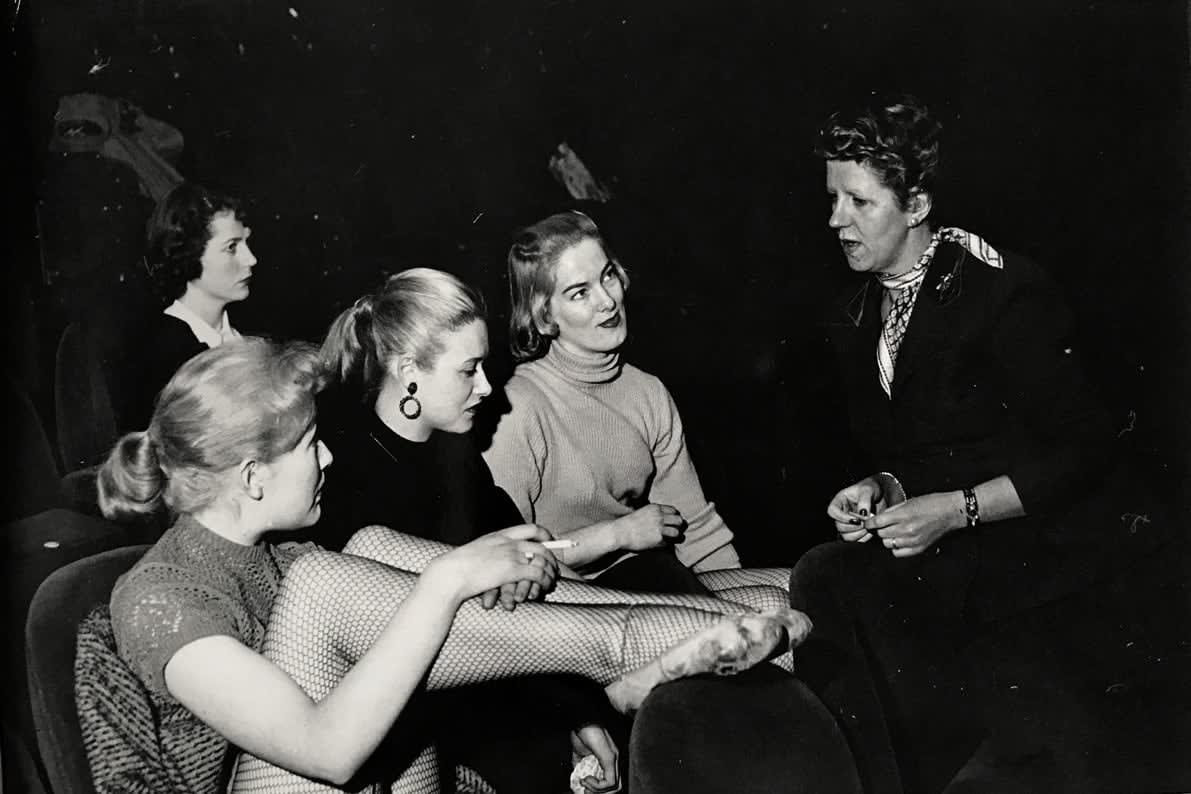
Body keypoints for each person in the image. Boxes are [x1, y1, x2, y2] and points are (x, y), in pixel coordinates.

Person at [92, 336, 803, 794]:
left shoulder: (282, 554)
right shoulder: (160, 598)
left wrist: (565, 709)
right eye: (310, 444)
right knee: (335, 583)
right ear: (250, 477)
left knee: (368, 548)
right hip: (313, 770)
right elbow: (325, 751)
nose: (328, 457)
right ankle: (622, 655)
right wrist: (450, 578)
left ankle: (630, 658)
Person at [787, 93, 1119, 793]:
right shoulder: (853, 310)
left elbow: (1084, 453)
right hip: (946, 566)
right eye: (831, 199)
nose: (834, 221)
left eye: (857, 202)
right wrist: (882, 487)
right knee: (825, 572)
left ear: (914, 205)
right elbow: (918, 446)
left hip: (1038, 568)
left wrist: (952, 511)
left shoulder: (1000, 293)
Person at [482, 211, 789, 600]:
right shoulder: (519, 406)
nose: (607, 301)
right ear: (544, 318)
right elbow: (506, 558)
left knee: (801, 588)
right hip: (567, 596)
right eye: (580, 293)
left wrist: (739, 597)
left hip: (645, 583)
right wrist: (618, 535)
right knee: (670, 577)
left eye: (607, 276)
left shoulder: (648, 392)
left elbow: (696, 529)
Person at [113, 182, 256, 431]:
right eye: (232, 247)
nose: (251, 259)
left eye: (246, 243)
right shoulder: (159, 357)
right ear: (189, 255)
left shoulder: (247, 333)